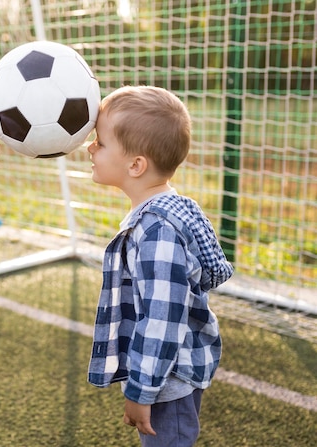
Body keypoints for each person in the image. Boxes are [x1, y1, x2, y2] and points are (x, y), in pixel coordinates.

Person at [86, 85, 233, 447]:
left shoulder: (158, 232)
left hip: (168, 379)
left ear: (136, 165)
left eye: (100, 143)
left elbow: (162, 318)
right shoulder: (163, 213)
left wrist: (141, 389)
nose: (90, 147)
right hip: (166, 373)